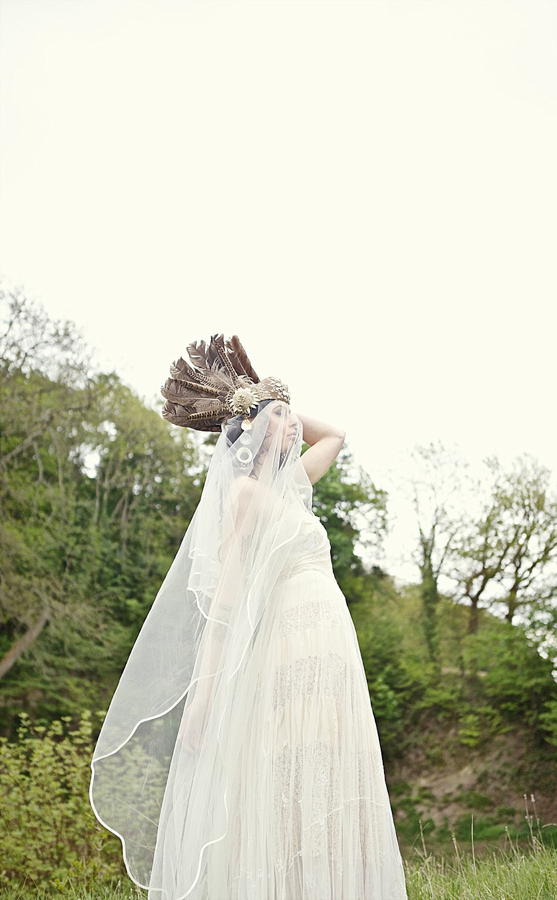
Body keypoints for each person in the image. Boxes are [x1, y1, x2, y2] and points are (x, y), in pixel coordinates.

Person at [89, 334, 407, 900]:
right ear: (256, 433)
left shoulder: (296, 487)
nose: (291, 427)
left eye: (291, 418)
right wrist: (204, 698)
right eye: (280, 421)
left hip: (331, 636)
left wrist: (273, 400)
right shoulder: (244, 497)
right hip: (288, 636)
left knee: (333, 755)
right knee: (290, 760)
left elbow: (336, 434)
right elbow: (228, 598)